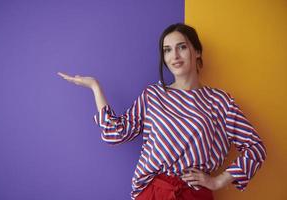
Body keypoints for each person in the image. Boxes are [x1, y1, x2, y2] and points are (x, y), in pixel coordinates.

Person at [57, 23, 266, 200]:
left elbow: (255, 148)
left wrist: (218, 181)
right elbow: (116, 133)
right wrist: (95, 87)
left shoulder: (221, 101)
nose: (174, 55)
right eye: (167, 50)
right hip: (153, 191)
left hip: (193, 194)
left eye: (181, 47)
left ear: (197, 51)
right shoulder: (153, 95)